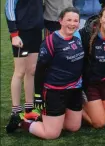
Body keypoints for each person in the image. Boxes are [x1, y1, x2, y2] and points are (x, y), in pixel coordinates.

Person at [8, 8, 84, 139]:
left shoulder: (77, 38)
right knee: (51, 134)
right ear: (60, 21)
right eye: (68, 20)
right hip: (54, 91)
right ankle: (21, 121)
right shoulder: (50, 41)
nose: (72, 24)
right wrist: (38, 95)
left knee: (73, 127)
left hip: (74, 89)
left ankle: (41, 117)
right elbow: (40, 70)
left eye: (75, 21)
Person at [5, 0, 44, 133]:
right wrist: (14, 34)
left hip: (36, 33)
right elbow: (9, 8)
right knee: (19, 71)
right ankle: (15, 111)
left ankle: (29, 109)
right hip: (22, 34)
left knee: (32, 71)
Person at [79, 5, 105, 128]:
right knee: (99, 123)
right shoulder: (86, 35)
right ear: (100, 19)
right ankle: (77, 108)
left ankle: (97, 107)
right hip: (90, 83)